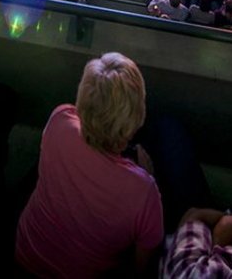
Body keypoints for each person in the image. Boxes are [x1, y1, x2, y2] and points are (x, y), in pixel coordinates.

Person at [15, 52, 163, 278]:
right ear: (136, 120)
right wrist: (144, 175)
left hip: (25, 256)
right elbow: (141, 267)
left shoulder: (59, 120)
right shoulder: (145, 191)